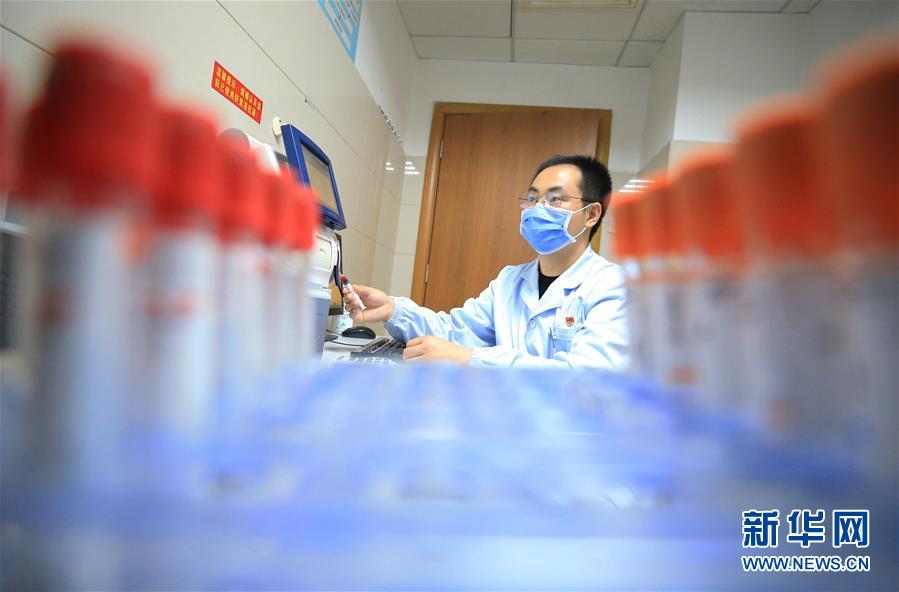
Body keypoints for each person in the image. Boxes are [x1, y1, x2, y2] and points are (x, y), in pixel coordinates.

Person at [343, 154, 628, 369]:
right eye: (532, 199)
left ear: (591, 215)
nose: (538, 209)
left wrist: (471, 359)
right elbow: (457, 332)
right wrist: (393, 310)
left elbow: (587, 378)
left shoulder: (612, 286)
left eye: (555, 199)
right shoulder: (510, 281)